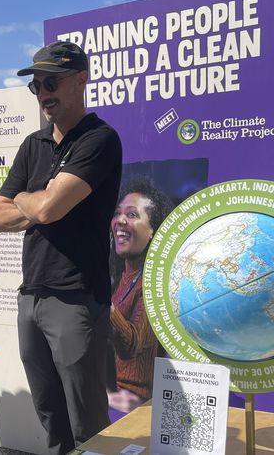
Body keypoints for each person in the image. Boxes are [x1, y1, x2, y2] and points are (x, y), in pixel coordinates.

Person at [0, 41, 123, 454]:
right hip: (32, 294)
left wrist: (33, 200)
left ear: (81, 80)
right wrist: (44, 199)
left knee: (87, 422)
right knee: (49, 411)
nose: (43, 93)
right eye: (36, 85)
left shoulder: (99, 140)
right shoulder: (34, 144)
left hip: (76, 296)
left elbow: (47, 209)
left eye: (51, 82)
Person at [107, 178, 173, 419]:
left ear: (154, 230)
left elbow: (132, 345)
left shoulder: (154, 283)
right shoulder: (121, 277)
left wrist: (105, 306)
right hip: (110, 397)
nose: (120, 221)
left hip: (136, 408)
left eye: (132, 214)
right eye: (117, 213)